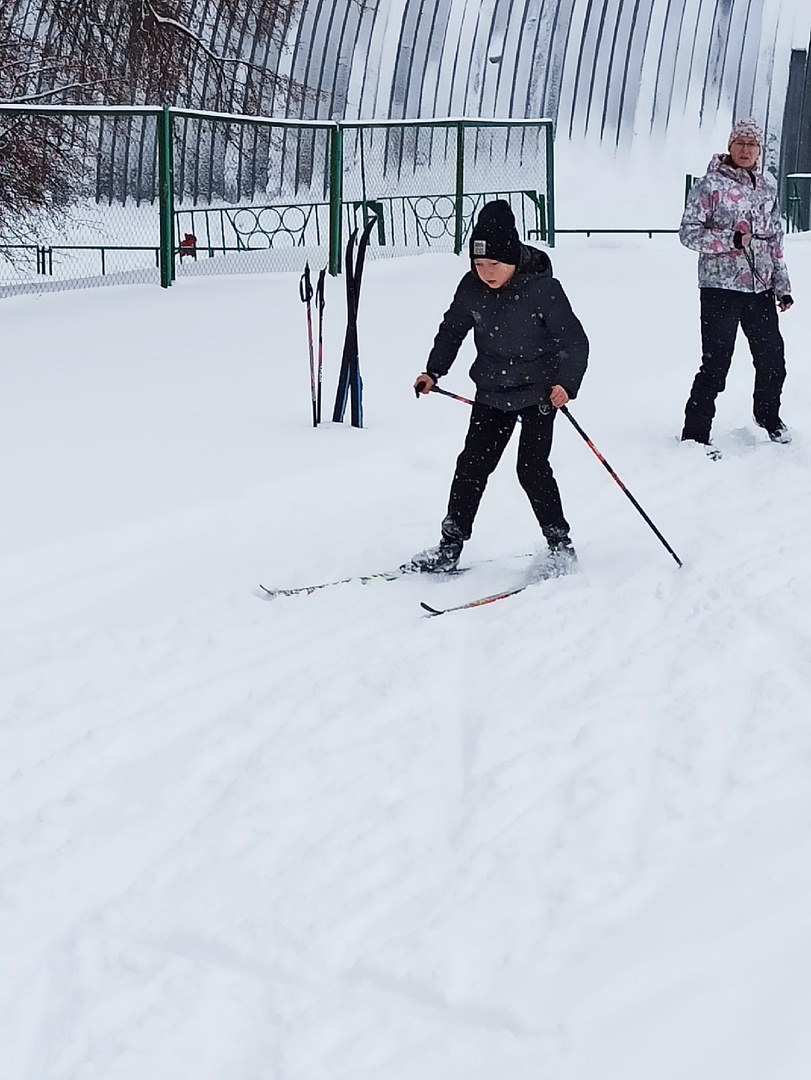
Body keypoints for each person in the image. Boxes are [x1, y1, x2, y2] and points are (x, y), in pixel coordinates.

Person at [403, 199, 589, 575]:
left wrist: (566, 384)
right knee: (472, 465)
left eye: (494, 264)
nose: (486, 272)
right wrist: (433, 371)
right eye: (478, 264)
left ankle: (560, 545)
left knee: (531, 468)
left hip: (539, 392)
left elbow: (575, 342)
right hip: (492, 391)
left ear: (513, 259)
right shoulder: (472, 288)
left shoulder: (543, 289)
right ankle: (449, 546)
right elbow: (452, 329)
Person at [679, 118, 794, 450]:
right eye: (739, 143)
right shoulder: (710, 185)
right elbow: (688, 232)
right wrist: (730, 239)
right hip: (720, 288)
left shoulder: (767, 186)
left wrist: (782, 285)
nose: (745, 150)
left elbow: (774, 240)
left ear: (759, 150)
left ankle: (768, 415)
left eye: (751, 144)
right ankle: (695, 435)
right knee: (716, 364)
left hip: (759, 288)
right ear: (730, 147)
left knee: (773, 359)